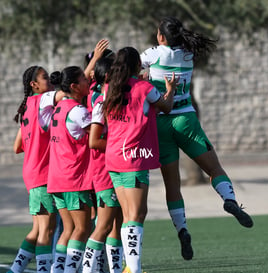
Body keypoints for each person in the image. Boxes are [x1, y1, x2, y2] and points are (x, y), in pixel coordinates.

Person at [140, 16, 254, 260]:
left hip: (160, 123)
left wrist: (144, 77)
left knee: (173, 185)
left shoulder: (152, 54)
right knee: (214, 168)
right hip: (186, 120)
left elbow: (132, 68)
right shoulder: (189, 54)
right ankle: (229, 199)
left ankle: (182, 229)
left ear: (160, 37)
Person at [101, 46, 177, 273]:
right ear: (136, 65)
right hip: (134, 157)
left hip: (114, 157)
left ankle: (130, 266)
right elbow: (166, 106)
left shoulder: (109, 88)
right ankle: (133, 269)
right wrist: (171, 89)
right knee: (136, 215)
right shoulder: (145, 88)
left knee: (130, 215)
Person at [9, 66, 65, 273]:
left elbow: (17, 147)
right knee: (47, 231)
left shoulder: (27, 108)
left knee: (38, 229)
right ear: (34, 85)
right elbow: (68, 91)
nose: (49, 80)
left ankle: (14, 270)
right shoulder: (41, 100)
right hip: (42, 175)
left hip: (32, 173)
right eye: (44, 77)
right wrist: (93, 61)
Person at [47, 66, 93, 273]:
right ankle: (68, 270)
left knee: (68, 229)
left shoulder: (57, 109)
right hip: (73, 178)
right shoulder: (78, 111)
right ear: (74, 86)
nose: (88, 80)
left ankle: (58, 270)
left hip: (56, 178)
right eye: (84, 78)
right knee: (82, 229)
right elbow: (98, 134)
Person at [82, 56, 124, 273]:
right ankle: (89, 269)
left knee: (116, 223)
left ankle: (114, 270)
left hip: (112, 166)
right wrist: (119, 144)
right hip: (104, 168)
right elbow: (95, 141)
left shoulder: (104, 95)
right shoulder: (100, 99)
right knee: (103, 226)